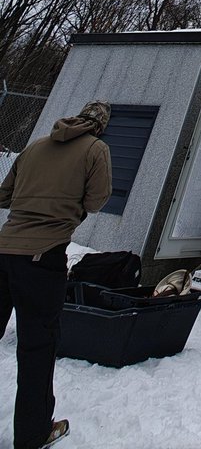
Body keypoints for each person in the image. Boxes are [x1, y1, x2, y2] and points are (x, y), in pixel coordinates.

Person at [0, 100, 113, 449]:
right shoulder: (96, 149)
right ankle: (33, 434)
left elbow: (4, 195)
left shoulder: (35, 146)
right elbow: (97, 201)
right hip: (42, 256)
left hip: (4, 250)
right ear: (101, 125)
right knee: (36, 347)